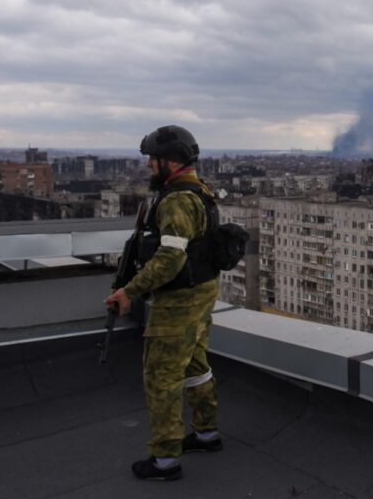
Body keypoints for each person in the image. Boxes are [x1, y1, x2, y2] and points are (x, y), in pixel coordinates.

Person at [104, 125, 223, 481]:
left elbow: (169, 259)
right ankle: (206, 433)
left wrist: (129, 291)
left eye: (152, 161)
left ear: (170, 161)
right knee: (196, 364)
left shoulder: (175, 200)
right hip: (203, 291)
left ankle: (165, 459)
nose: (149, 167)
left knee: (161, 377)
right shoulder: (200, 191)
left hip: (180, 299)